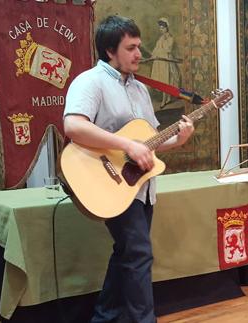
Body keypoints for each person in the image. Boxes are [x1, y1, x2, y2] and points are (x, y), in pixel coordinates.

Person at [64, 16, 195, 323]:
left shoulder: (139, 89)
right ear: (110, 50)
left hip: (138, 187)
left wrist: (178, 139)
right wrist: (127, 146)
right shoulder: (90, 82)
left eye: (138, 46)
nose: (139, 53)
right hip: (107, 183)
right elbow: (73, 126)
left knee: (128, 253)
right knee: (138, 254)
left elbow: (148, 142)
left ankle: (104, 317)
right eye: (131, 47)